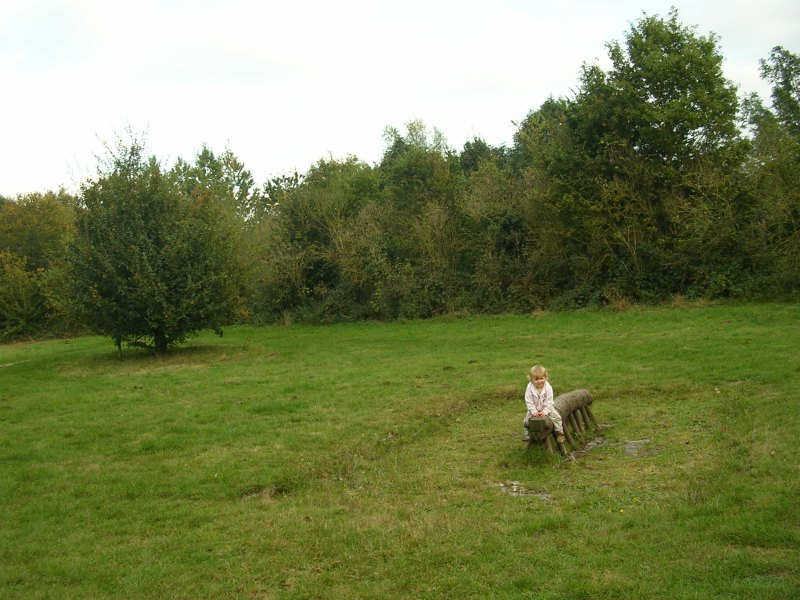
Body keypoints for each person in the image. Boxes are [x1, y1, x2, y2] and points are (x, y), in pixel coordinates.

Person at [523, 365, 565, 444]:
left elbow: (549, 401)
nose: (539, 381)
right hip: (534, 408)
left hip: (547, 408)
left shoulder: (548, 388)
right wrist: (533, 411)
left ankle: (559, 433)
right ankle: (527, 435)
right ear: (531, 380)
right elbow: (528, 400)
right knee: (526, 421)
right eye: (536, 379)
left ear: (545, 378)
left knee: (557, 418)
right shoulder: (529, 387)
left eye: (541, 378)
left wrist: (545, 411)